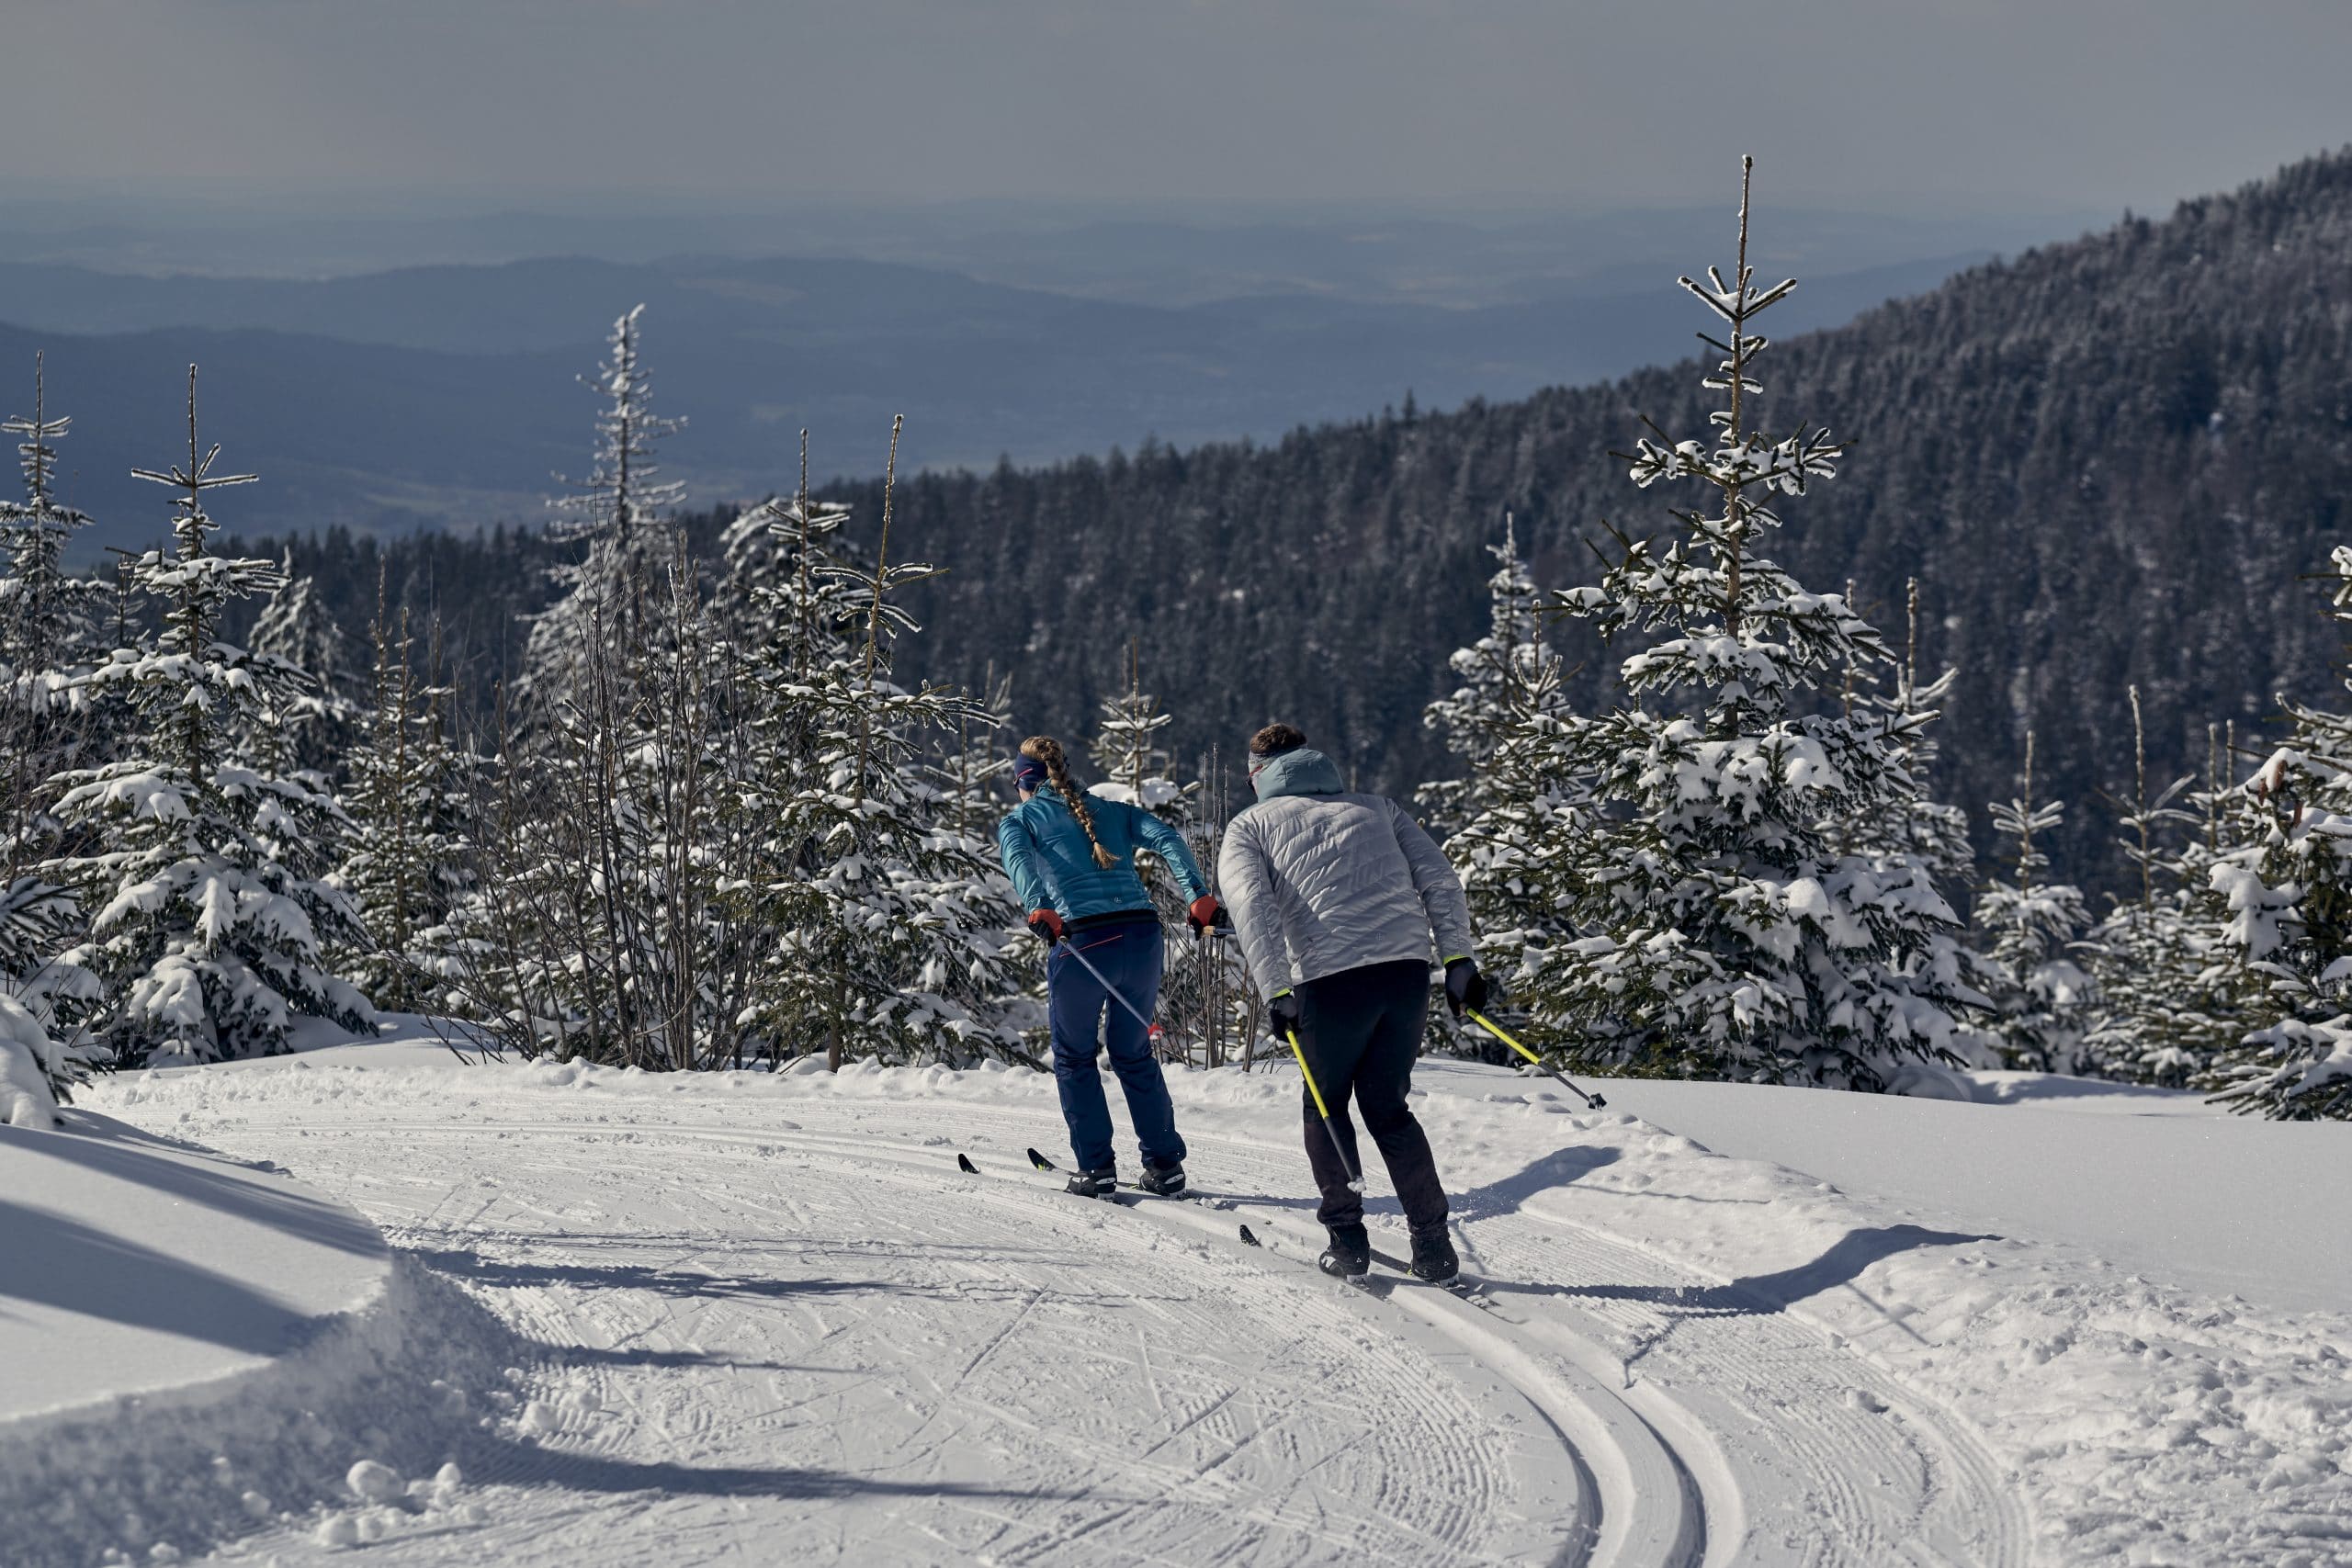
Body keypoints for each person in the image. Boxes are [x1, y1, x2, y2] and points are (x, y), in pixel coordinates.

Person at [1217, 723, 1485, 1281]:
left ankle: (1347, 1239)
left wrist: (1276, 991)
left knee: (1326, 1104)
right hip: (1406, 977)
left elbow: (1253, 910)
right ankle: (1434, 1245)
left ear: (1258, 772)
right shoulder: (1378, 808)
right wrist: (1458, 959)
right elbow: (1440, 880)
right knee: (1388, 1108)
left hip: (1328, 982)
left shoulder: (1252, 824)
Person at [998, 735, 1223, 1198]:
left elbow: (1018, 860)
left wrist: (1040, 906)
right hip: (1141, 936)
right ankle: (1165, 1167)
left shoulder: (1020, 819)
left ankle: (1096, 1169)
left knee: (1075, 1057)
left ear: (1024, 780)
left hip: (1082, 940)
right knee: (1133, 1053)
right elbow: (1166, 837)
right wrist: (1197, 894)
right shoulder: (1112, 810)